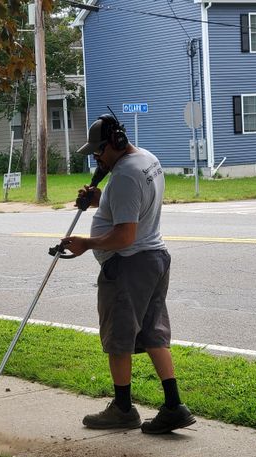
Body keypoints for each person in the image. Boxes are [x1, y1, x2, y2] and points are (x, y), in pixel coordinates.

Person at [62, 114, 196, 434]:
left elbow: (125, 236)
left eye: (98, 151)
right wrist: (100, 199)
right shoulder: (147, 159)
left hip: (129, 265)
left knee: (119, 338)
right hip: (154, 259)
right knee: (152, 333)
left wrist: (86, 243)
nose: (95, 157)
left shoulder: (124, 175)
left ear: (116, 144)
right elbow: (132, 206)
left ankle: (122, 409)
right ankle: (174, 405)